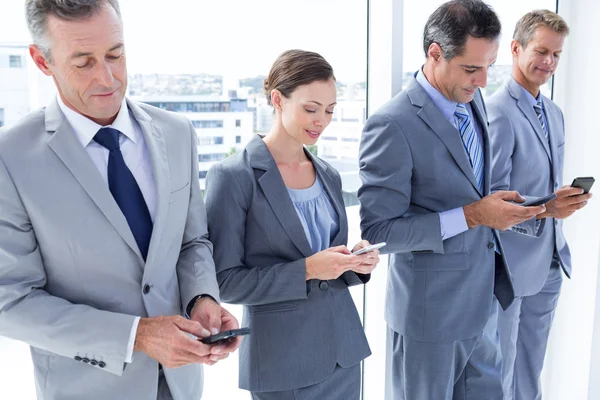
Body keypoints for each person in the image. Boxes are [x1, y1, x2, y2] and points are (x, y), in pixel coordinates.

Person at [0, 1, 240, 399]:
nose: (107, 77)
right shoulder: (11, 158)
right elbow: (10, 300)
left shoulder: (177, 133)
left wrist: (202, 297)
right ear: (42, 62)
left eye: (116, 54)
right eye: (83, 62)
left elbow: (191, 241)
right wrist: (136, 336)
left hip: (182, 384)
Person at [357, 1, 547, 399]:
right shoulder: (392, 124)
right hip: (429, 322)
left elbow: (470, 188)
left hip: (482, 309)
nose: (482, 81)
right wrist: (474, 214)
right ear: (435, 53)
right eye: (471, 68)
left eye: (488, 67)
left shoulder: (472, 99)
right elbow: (380, 232)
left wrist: (506, 206)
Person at [204, 49, 378, 400]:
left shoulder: (327, 174)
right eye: (311, 109)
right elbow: (225, 282)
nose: (321, 121)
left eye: (329, 111)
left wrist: (354, 263)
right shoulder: (234, 177)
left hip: (343, 353)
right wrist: (308, 270)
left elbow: (328, 266)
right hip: (283, 362)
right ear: (277, 99)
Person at [487, 10, 591, 400]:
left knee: (532, 369)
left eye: (556, 55)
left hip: (549, 259)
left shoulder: (553, 113)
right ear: (515, 49)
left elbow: (542, 181)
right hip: (511, 266)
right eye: (541, 51)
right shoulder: (497, 112)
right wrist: (549, 207)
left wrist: (564, 200)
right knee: (502, 369)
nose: (548, 63)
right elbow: (494, 196)